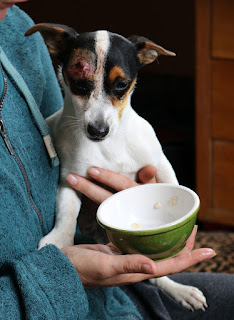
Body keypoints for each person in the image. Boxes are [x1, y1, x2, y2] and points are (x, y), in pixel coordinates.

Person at [0, 2, 233, 319]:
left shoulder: (15, 27)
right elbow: (69, 180)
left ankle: (162, 282)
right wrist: (64, 238)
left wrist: (179, 218)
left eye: (118, 87)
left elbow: (162, 169)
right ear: (58, 51)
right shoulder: (65, 131)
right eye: (83, 87)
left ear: (145, 59)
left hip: (121, 280)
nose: (98, 117)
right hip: (72, 283)